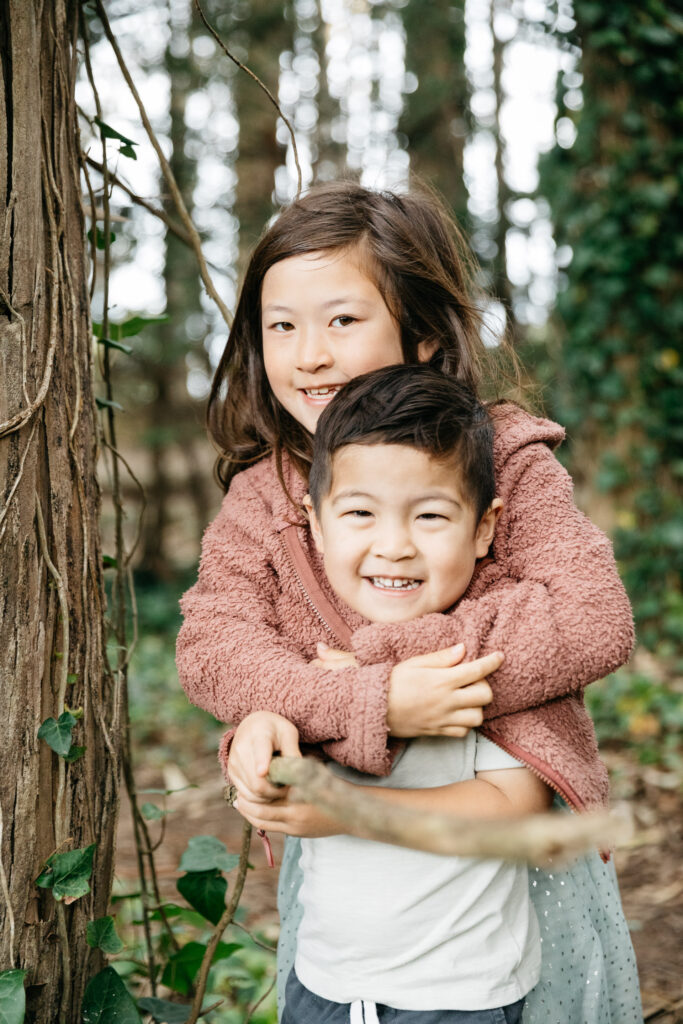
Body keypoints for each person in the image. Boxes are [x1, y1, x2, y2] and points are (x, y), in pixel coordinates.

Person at [176, 181, 642, 1022]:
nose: (307, 355)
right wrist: (363, 702)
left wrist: (391, 668)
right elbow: (215, 646)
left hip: (499, 865)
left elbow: (589, 616)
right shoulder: (265, 491)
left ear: (422, 336)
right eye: (281, 326)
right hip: (347, 909)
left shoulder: (504, 454)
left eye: (341, 321)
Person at [235, 363, 553, 1023]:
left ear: (483, 528)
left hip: (456, 995)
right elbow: (272, 723)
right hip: (323, 980)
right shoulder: (308, 646)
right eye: (359, 514)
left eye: (430, 515)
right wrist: (257, 738)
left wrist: (349, 811)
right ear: (316, 527)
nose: (393, 547)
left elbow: (513, 805)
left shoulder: (498, 643)